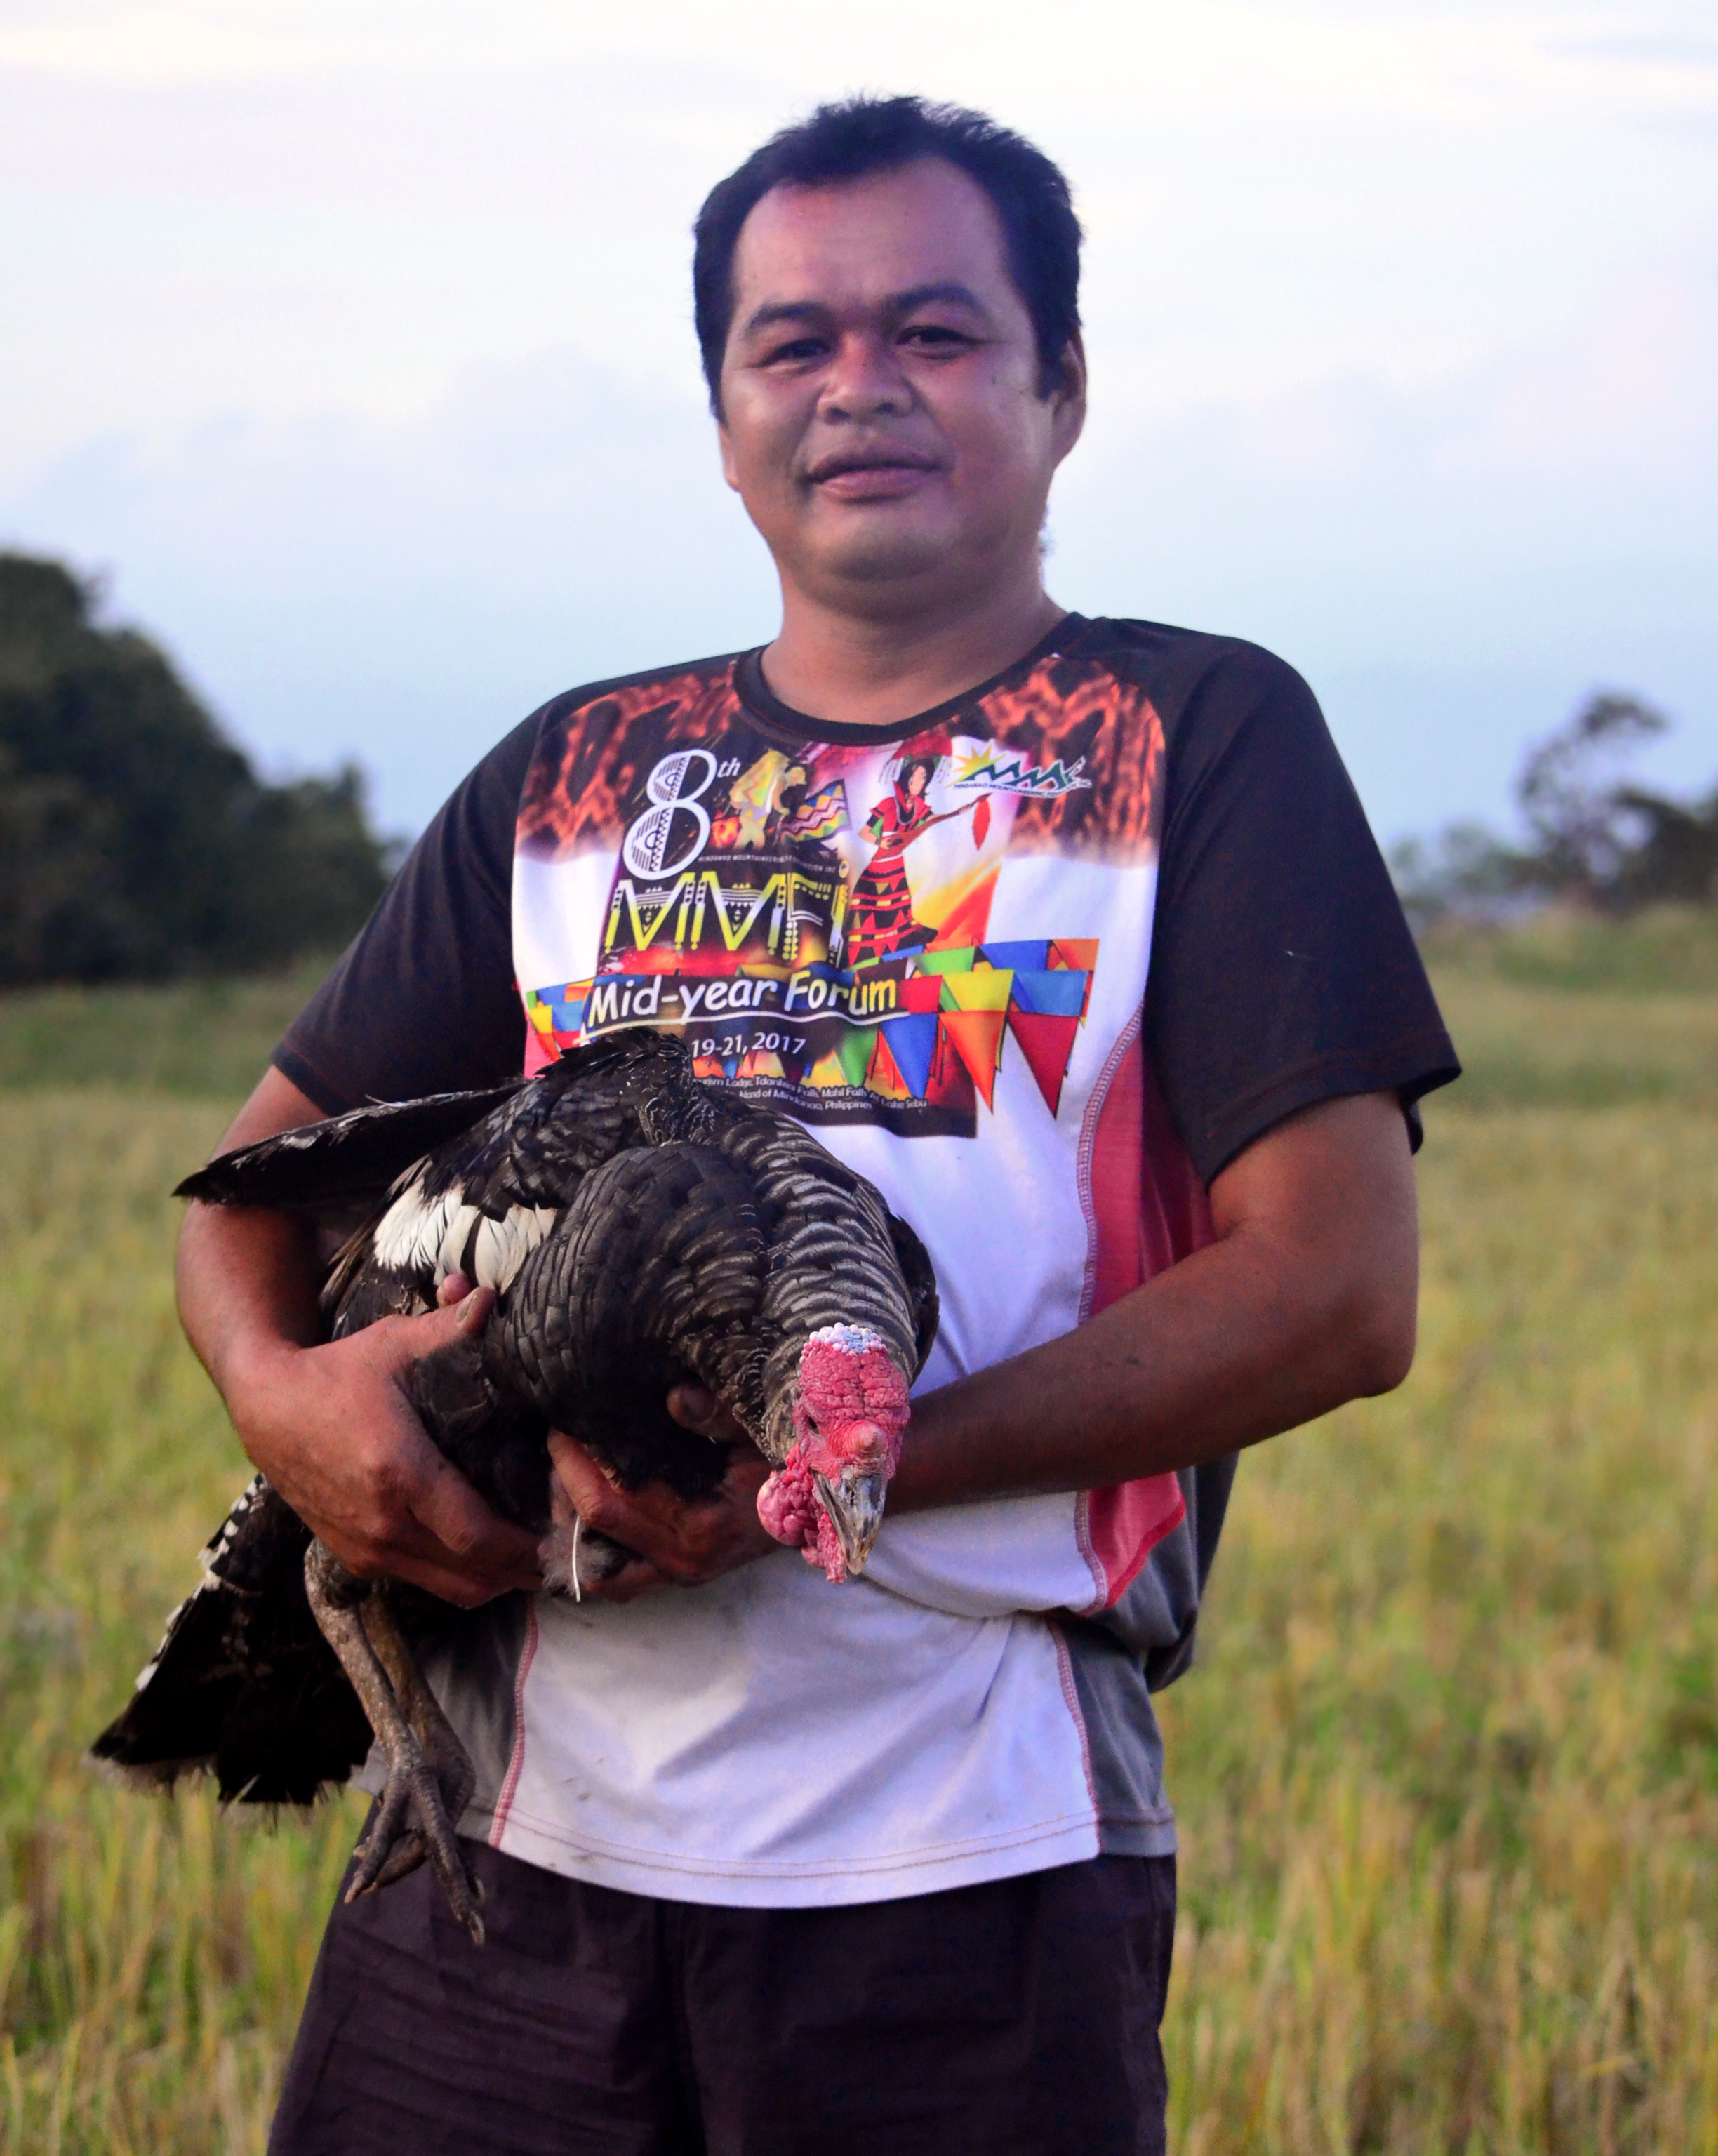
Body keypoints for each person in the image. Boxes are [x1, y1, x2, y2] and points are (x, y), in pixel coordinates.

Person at [179, 95, 1458, 2155]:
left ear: (1062, 389)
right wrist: (282, 1403)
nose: (861, 386)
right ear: (722, 417)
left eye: (937, 333)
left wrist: (846, 1464)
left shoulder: (1191, 742)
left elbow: (1336, 1293)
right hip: (502, 1862)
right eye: (795, 343)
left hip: (970, 1864)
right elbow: (250, 1185)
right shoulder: (576, 773)